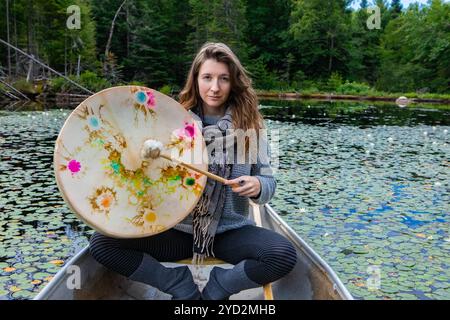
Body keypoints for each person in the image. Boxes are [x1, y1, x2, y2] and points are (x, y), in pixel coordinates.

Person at [89, 42, 297, 300]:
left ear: (233, 82)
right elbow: (147, 175)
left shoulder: (252, 127)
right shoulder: (174, 122)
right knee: (102, 243)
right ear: (196, 80)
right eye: (207, 77)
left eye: (223, 79)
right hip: (178, 232)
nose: (215, 87)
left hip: (230, 232)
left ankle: (219, 286)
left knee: (283, 255)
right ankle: (179, 284)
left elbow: (269, 184)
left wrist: (257, 185)